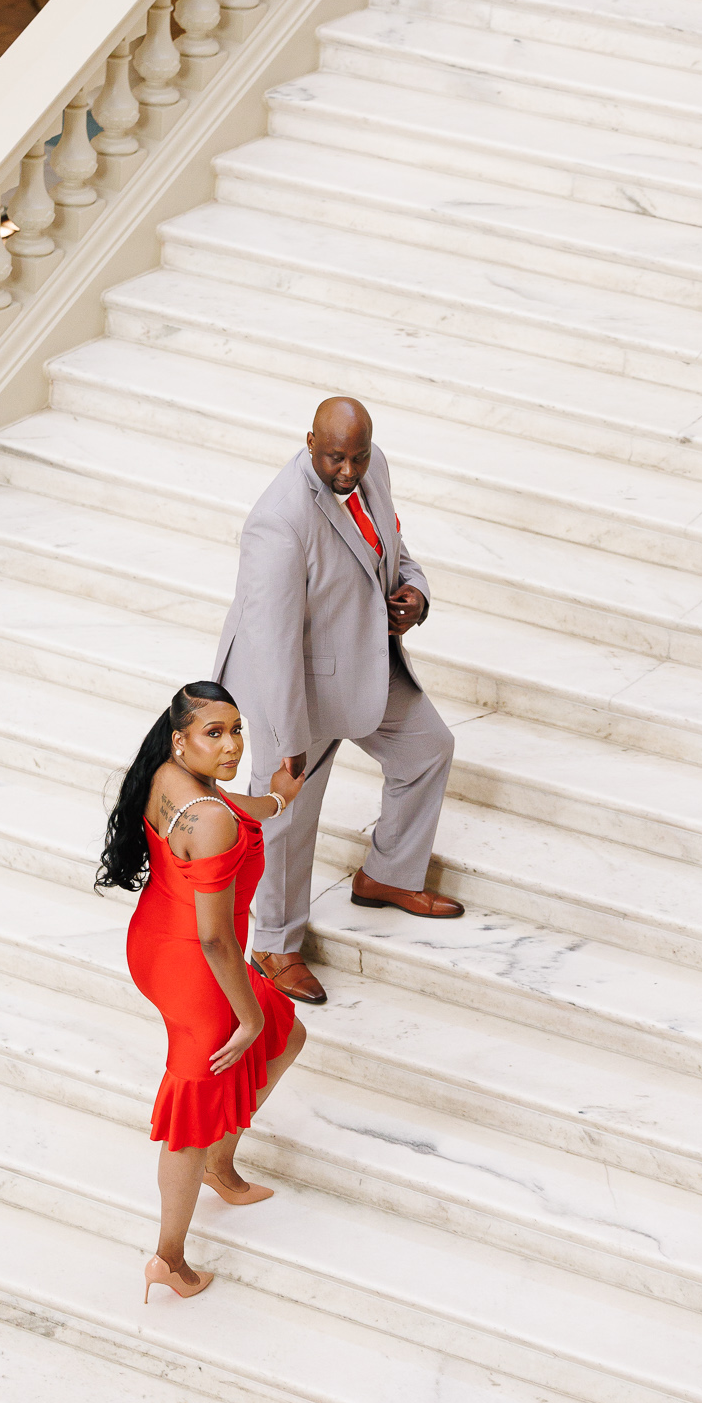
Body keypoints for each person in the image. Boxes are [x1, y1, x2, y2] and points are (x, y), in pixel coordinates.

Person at [215, 396, 463, 1009]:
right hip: (294, 681)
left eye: (356, 456)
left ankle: (387, 875)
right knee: (288, 816)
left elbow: (393, 551)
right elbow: (271, 642)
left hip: (361, 660)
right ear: (308, 442)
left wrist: (416, 596)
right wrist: (287, 738)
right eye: (335, 459)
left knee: (428, 749)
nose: (349, 471)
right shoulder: (279, 520)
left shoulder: (372, 463)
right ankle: (273, 943)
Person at [98, 682, 307, 1302]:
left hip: (157, 939)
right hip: (195, 963)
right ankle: (169, 1257)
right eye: (214, 733)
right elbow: (217, 940)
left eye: (236, 729)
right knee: (194, 1106)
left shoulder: (170, 776)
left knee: (287, 1032)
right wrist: (244, 1018)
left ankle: (221, 1164)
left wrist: (275, 798)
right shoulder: (211, 821)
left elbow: (233, 807)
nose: (232, 745)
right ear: (181, 738)